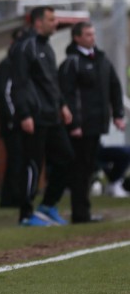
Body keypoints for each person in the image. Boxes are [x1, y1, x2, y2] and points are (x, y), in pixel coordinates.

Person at [8, 6, 74, 226]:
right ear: (38, 22)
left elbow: (50, 81)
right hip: (33, 117)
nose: (56, 22)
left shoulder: (47, 46)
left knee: (66, 159)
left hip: (51, 115)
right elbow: (19, 83)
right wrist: (24, 113)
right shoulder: (24, 47)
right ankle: (26, 215)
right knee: (34, 166)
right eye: (51, 19)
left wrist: (62, 105)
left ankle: (47, 207)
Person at [57, 21, 125, 223]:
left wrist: (118, 114)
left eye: (93, 34)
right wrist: (74, 124)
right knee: (80, 168)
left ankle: (83, 211)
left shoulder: (102, 60)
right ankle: (80, 213)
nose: (92, 38)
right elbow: (67, 96)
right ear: (76, 37)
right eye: (87, 34)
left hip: (97, 124)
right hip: (81, 126)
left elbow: (114, 87)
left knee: (88, 167)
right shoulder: (71, 63)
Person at [0, 27, 28, 208]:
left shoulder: (21, 65)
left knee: (19, 159)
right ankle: (12, 198)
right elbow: (4, 94)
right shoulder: (7, 65)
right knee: (16, 159)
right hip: (12, 123)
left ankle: (12, 197)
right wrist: (16, 118)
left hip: (19, 120)